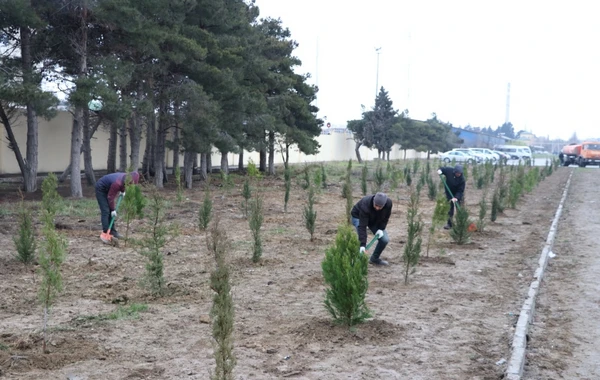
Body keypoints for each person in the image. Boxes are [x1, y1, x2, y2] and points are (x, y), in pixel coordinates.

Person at [95, 171, 140, 242]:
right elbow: (110, 197)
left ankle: (112, 231)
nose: (131, 185)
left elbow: (124, 185)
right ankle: (106, 232)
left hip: (109, 187)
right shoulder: (117, 183)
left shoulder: (126, 179)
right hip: (101, 188)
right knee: (106, 211)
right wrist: (113, 209)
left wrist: (123, 190)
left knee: (109, 210)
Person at [350, 192, 392, 266]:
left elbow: (386, 218)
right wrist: (363, 244)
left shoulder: (388, 204)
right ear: (373, 201)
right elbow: (362, 226)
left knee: (384, 240)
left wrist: (381, 228)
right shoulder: (365, 205)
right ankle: (354, 261)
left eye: (380, 207)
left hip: (373, 219)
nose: (377, 208)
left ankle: (374, 259)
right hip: (358, 217)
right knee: (361, 238)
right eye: (376, 205)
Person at [437, 165, 466, 230]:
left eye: (460, 173)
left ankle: (460, 223)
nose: (458, 174)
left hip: (457, 194)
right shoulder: (449, 170)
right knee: (450, 209)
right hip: (449, 193)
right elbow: (442, 169)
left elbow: (460, 190)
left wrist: (456, 197)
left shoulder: (462, 179)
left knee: (459, 209)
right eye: (457, 173)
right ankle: (449, 224)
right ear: (454, 172)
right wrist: (440, 170)